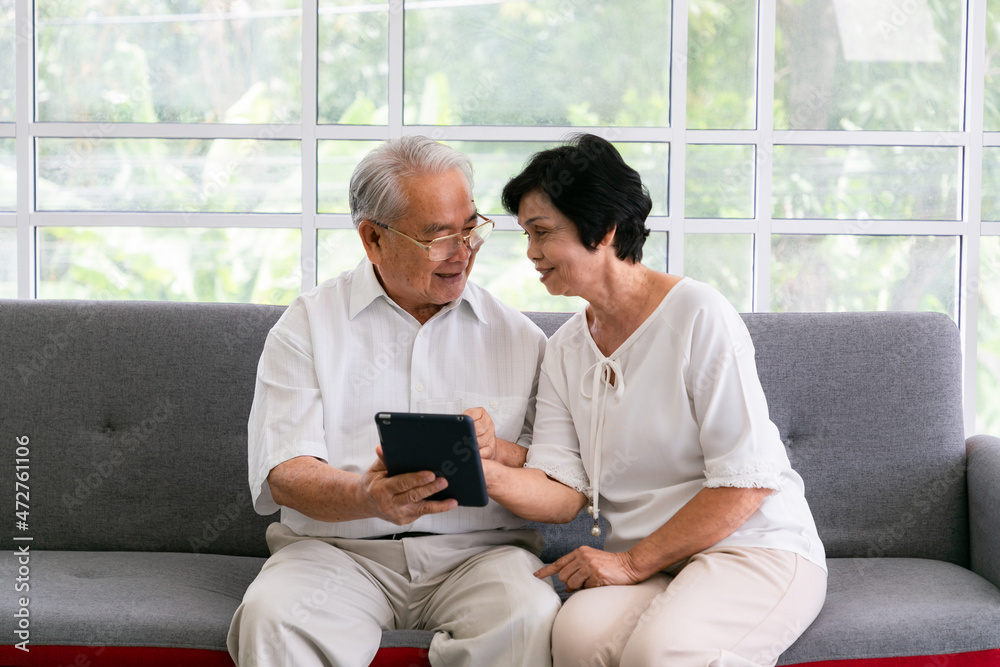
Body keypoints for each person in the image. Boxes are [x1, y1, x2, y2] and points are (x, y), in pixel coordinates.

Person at [482, 133, 828, 667]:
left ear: (604, 229)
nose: (530, 252)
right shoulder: (566, 349)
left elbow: (748, 480)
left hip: (753, 545)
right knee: (575, 636)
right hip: (658, 562)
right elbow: (561, 482)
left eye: (543, 232)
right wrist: (484, 458)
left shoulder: (697, 314)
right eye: (527, 234)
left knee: (660, 652)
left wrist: (630, 564)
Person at [227, 135, 561, 667]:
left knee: (530, 615)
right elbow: (284, 471)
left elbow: (555, 471)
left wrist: (496, 449)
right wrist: (367, 495)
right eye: (438, 236)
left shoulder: (520, 337)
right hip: (337, 555)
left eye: (471, 227)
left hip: (480, 556)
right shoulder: (307, 327)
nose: (463, 250)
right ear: (373, 239)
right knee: (275, 615)